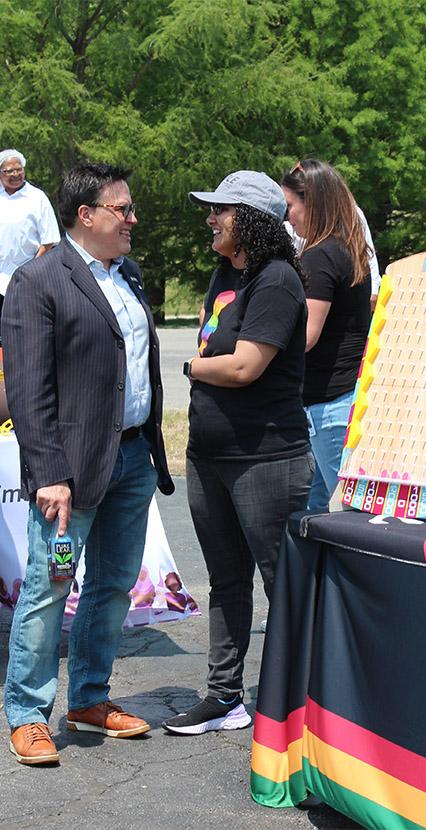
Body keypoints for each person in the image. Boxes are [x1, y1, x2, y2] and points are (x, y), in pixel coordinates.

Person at [1, 162, 174, 765]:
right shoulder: (38, 280)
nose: (132, 219)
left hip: (131, 458)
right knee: (51, 586)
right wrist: (49, 472)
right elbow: (27, 388)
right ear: (87, 215)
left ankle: (89, 698)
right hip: (69, 472)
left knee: (112, 587)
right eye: (121, 208)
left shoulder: (129, 275)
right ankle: (26, 711)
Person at [162, 171, 313, 736]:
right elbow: (213, 341)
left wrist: (190, 369)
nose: (210, 219)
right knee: (225, 582)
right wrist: (205, 368)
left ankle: (298, 701)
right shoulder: (225, 274)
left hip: (266, 458)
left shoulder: (276, 281)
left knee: (282, 582)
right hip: (209, 453)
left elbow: (245, 366)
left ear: (249, 219)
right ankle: (225, 696)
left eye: (220, 211)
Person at [281, 159, 371, 512]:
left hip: (329, 404)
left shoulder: (318, 258)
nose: (288, 217)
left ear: (312, 203)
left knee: (347, 514)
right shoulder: (347, 249)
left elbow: (306, 336)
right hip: (344, 397)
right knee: (318, 510)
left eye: (291, 206)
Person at [0, 149, 60, 315]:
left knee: (21, 326)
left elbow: (49, 240)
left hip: (28, 278)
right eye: (9, 171)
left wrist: (30, 271)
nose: (15, 174)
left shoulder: (37, 198)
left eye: (19, 169)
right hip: (1, 277)